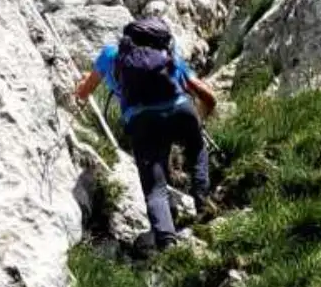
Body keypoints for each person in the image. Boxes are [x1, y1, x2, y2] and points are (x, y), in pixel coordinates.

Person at [74, 17, 217, 251]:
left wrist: (79, 87)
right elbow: (207, 95)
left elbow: (83, 92)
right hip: (181, 109)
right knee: (197, 148)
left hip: (142, 122)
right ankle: (203, 204)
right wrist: (198, 121)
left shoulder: (111, 55)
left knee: (155, 187)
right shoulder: (169, 56)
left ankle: (167, 242)